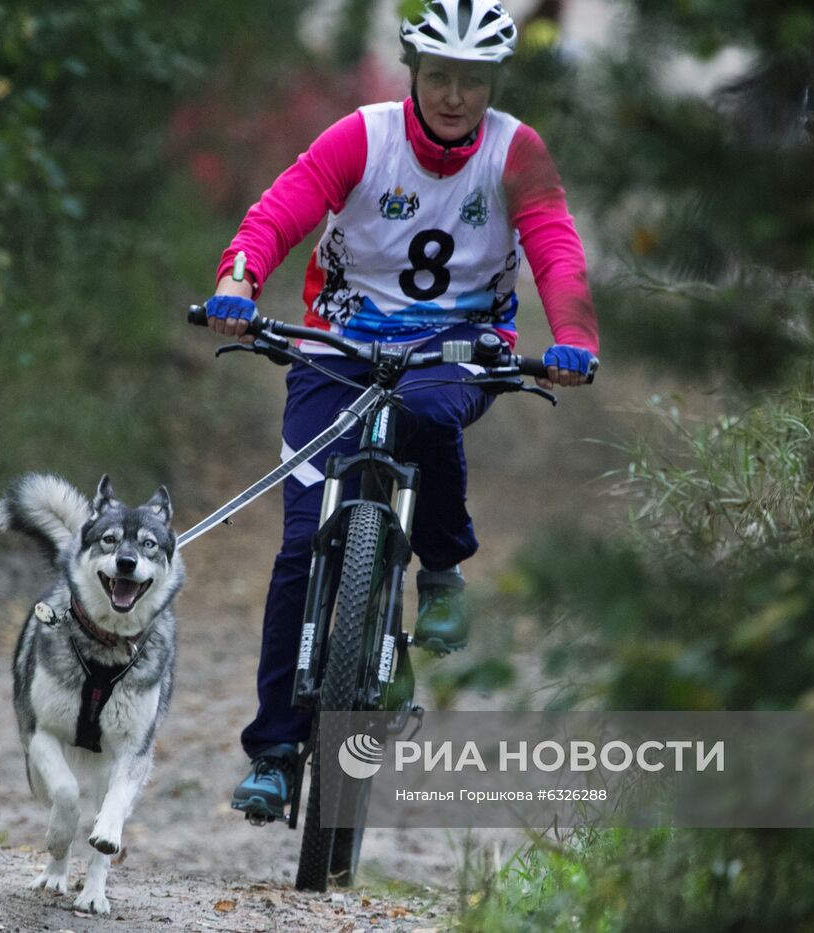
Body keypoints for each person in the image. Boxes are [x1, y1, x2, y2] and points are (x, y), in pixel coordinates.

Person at [204, 0, 599, 823]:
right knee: (300, 540)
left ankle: (443, 564)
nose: (456, 96)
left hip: (459, 346)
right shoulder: (364, 135)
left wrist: (572, 336)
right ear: (414, 73)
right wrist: (239, 282)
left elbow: (555, 242)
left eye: (474, 81)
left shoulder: (515, 150)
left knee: (426, 410)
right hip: (341, 341)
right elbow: (284, 207)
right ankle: (275, 754)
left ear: (492, 83)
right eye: (441, 77)